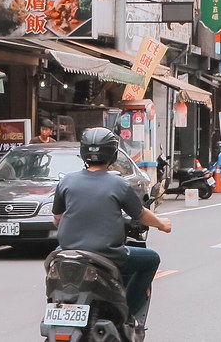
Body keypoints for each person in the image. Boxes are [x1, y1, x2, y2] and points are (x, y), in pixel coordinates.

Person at [52, 128, 172, 324]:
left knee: (54, 264)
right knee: (152, 259)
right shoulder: (119, 184)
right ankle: (127, 313)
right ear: (113, 154)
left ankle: (57, 304)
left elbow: (57, 218)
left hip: (67, 252)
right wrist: (162, 225)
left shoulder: (66, 181)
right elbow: (141, 214)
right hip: (107, 254)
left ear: (83, 153)